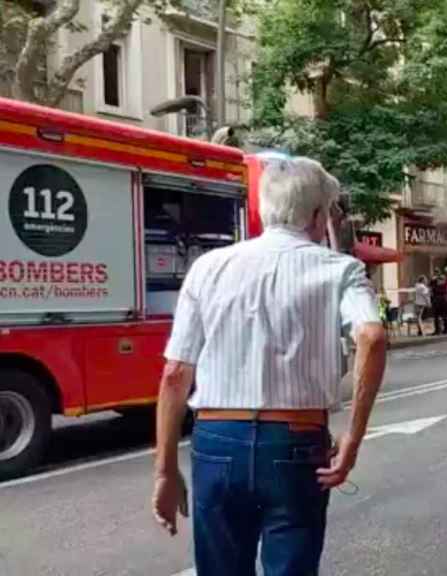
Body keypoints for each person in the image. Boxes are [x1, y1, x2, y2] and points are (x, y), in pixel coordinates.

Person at [151, 156, 388, 576]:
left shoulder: (208, 267)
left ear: (263, 210)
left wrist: (165, 472)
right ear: (317, 216)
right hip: (296, 443)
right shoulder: (340, 269)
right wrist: (351, 438)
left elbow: (174, 375)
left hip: (217, 440)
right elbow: (371, 335)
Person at [430, 269, 447, 335]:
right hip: (442, 299)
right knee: (442, 315)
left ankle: (439, 330)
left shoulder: (436, 281)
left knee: (438, 316)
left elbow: (431, 286)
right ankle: (443, 330)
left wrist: (433, 279)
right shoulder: (441, 281)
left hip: (439, 300)